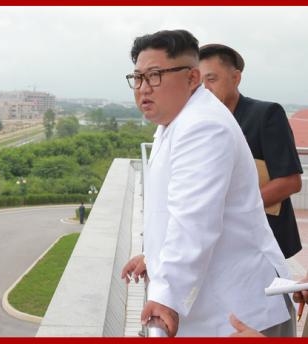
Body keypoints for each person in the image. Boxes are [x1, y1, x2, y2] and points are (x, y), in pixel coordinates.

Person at [121, 29, 294, 337]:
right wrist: (155, 257)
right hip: (218, 308)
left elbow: (193, 221)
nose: (143, 88)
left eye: (155, 76)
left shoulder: (204, 127)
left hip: (242, 315)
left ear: (192, 78)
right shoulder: (175, 123)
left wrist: (165, 296)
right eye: (137, 78)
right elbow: (171, 210)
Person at [199, 44, 303, 259]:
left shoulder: (265, 115)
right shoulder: (200, 122)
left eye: (211, 79)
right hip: (218, 240)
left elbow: (290, 181)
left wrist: (230, 209)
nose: (204, 88)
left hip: (263, 239)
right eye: (198, 81)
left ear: (235, 78)